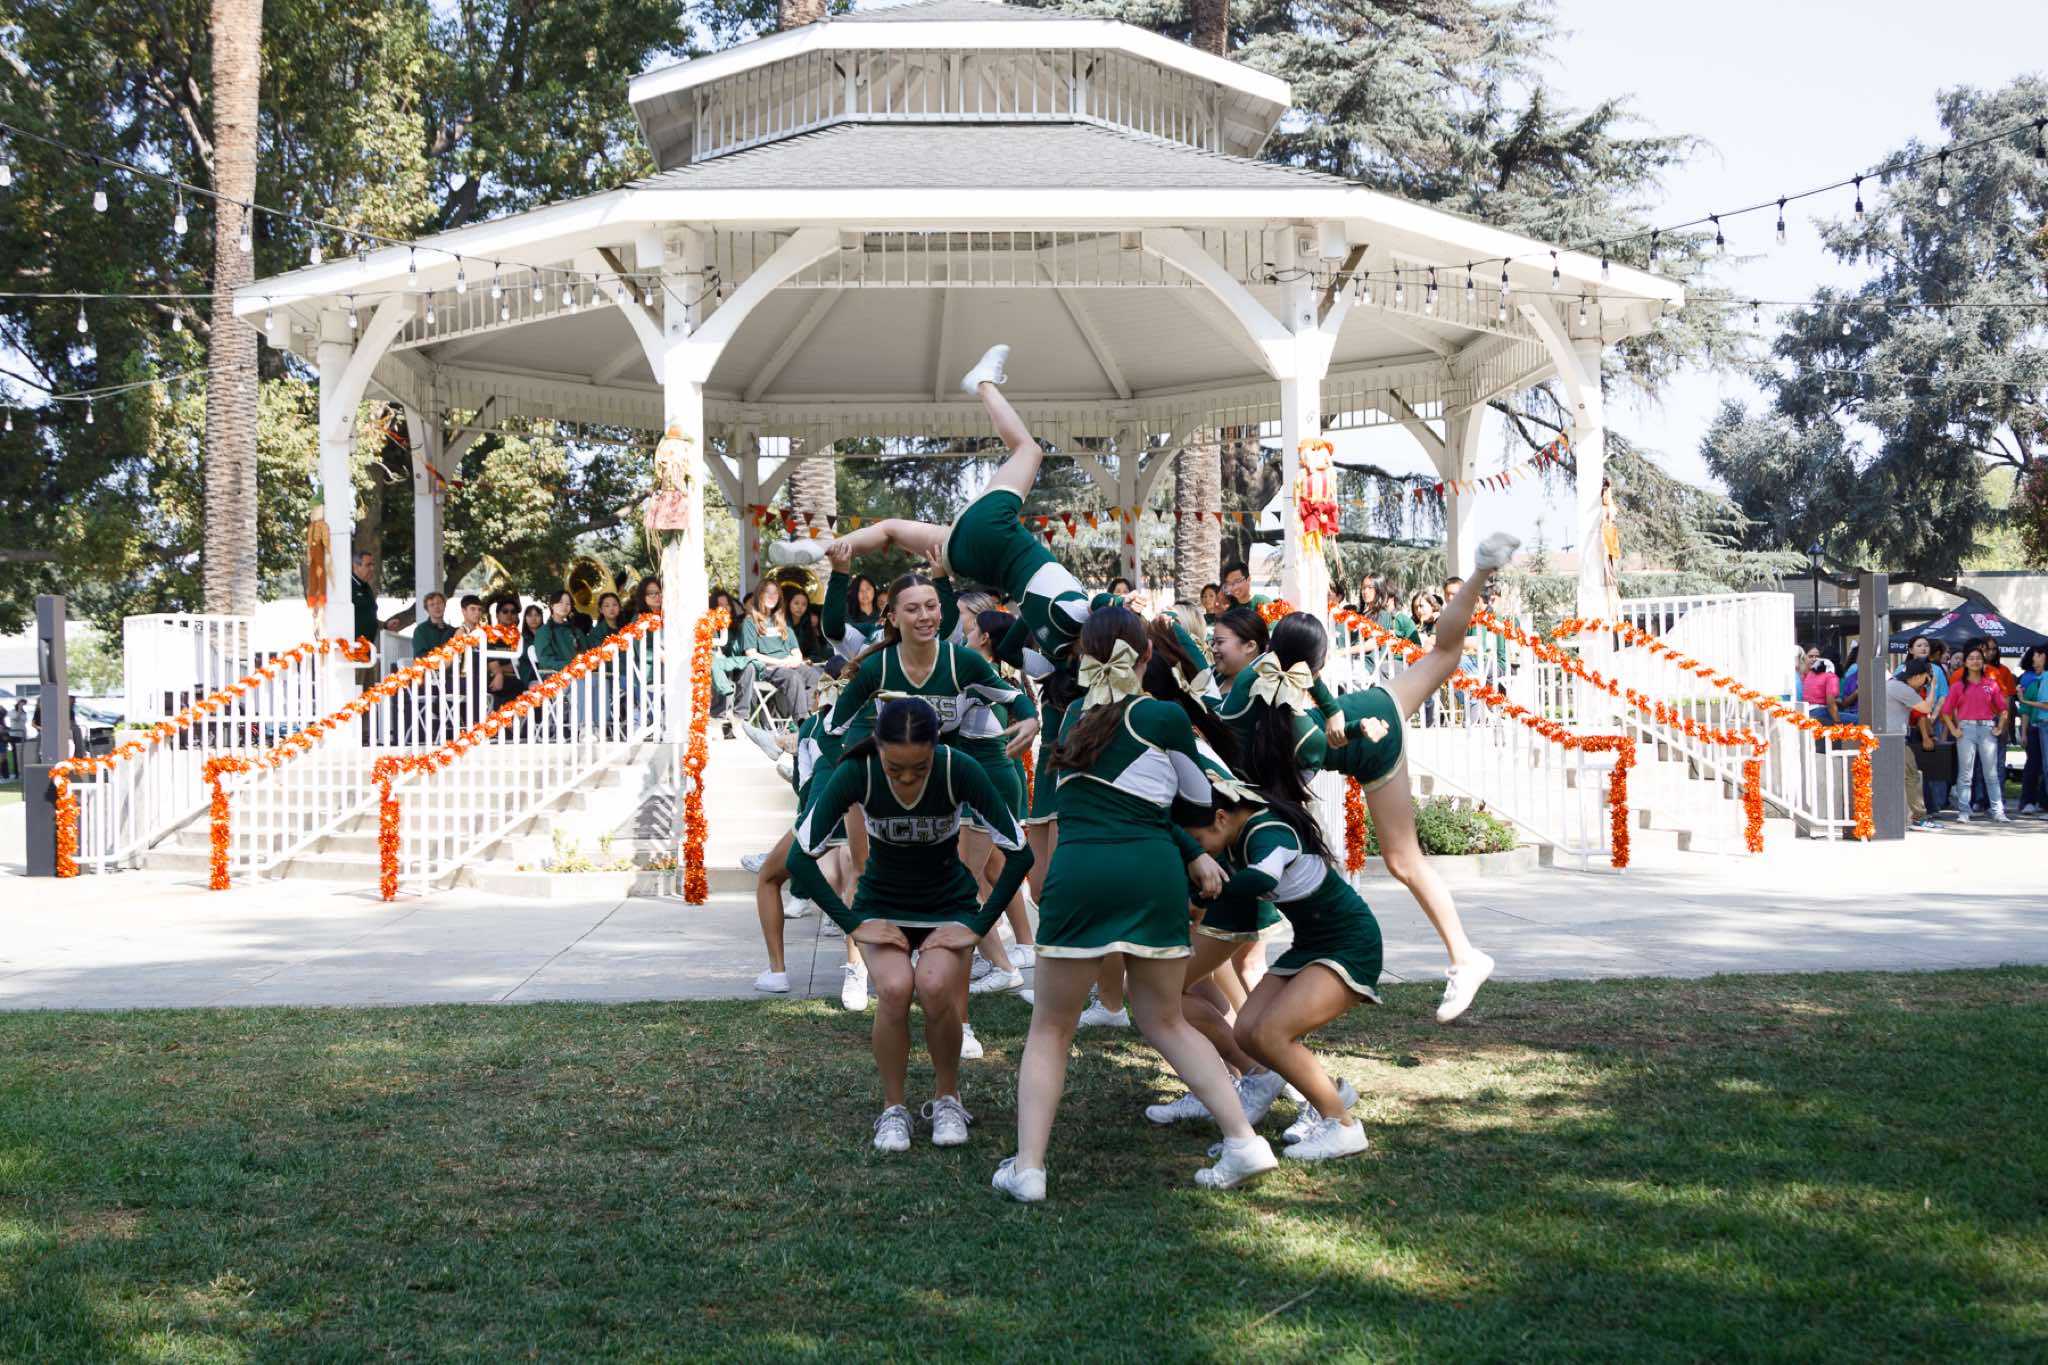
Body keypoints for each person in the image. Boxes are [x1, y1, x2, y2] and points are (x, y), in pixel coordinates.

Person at [999, 605, 1278, 1200]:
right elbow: (1198, 799)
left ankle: (1029, 1169)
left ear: (1083, 659)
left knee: (1051, 1028)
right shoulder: (1163, 716)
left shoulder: (1071, 717)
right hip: (1151, 876)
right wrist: (1191, 847)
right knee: (1165, 1019)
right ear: (1146, 657)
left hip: (1080, 876)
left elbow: (1092, 804)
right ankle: (1243, 1141)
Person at [1219, 530, 1519, 1024]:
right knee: (1445, 655)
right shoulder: (1267, 684)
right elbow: (1302, 684)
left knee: (1403, 861)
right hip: (1376, 703)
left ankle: (1466, 957)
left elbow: (1316, 729)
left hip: (1377, 743)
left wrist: (1348, 724)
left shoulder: (1291, 724)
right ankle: (1483, 568)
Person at [787, 697, 1033, 1153]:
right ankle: (893, 1108)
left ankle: (947, 1099)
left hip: (948, 903)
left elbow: (1021, 853)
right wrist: (854, 923)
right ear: (878, 749)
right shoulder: (857, 771)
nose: (905, 779)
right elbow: (798, 859)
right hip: (883, 903)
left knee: (936, 988)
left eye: (918, 769)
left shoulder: (958, 768)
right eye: (894, 769)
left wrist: (978, 925)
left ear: (936, 749)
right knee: (896, 989)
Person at [1185, 773, 1383, 1161]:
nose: (1199, 853)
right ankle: (1330, 1092)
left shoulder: (1267, 830)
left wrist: (1205, 893)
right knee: (1247, 1032)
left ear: (1221, 818)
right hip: (1309, 944)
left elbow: (1264, 875)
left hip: (1349, 944)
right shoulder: (1236, 838)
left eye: (1197, 840)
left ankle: (1342, 1126)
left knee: (1272, 1034)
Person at [748, 659, 870, 1009]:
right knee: (856, 882)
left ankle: (778, 971)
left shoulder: (815, 725)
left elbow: (802, 784)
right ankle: (856, 972)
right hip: (863, 809)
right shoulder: (874, 718)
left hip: (822, 812)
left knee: (769, 877)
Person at [1940, 646, 2010, 823]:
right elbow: (1946, 711)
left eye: (1978, 658)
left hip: (1987, 729)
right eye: (1971, 658)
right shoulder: (1958, 686)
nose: (1975, 661)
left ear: (1983, 661)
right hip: (1966, 730)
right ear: (1965, 662)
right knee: (1965, 774)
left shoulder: (1991, 684)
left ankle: (1998, 810)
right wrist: (1954, 729)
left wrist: (1999, 727)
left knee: (1991, 773)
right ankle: (1964, 811)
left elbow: (2003, 709)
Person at [738, 579, 820, 722]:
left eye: (775, 593)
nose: (772, 596)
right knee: (793, 678)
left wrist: (795, 660)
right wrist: (780, 662)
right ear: (760, 595)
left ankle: (808, 716)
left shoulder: (781, 622)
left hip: (787, 665)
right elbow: (751, 654)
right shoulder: (750, 622)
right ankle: (801, 721)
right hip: (767, 667)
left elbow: (796, 651)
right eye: (768, 593)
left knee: (815, 676)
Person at [1886, 658, 1939, 831]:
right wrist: (1933, 687)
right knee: (1912, 776)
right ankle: (1919, 818)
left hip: (1886, 738)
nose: (1924, 683)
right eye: (1925, 679)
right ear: (1917, 676)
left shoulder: (1892, 684)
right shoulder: (1902, 689)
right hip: (1894, 740)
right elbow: (1926, 708)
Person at [2017, 644, 2048, 815]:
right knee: (2034, 765)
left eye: (2036, 655)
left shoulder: (2044, 678)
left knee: (2045, 767)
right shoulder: (2030, 680)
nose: (2034, 659)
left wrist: (2024, 701)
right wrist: (2023, 733)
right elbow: (2025, 711)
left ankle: (2042, 801)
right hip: (2036, 728)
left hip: (2043, 726)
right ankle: (2029, 801)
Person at [411, 591, 456, 657]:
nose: (436, 607)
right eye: (432, 605)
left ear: (445, 605)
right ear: (427, 609)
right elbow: (420, 655)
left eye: (439, 603)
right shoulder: (420, 630)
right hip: (429, 663)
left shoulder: (452, 630)